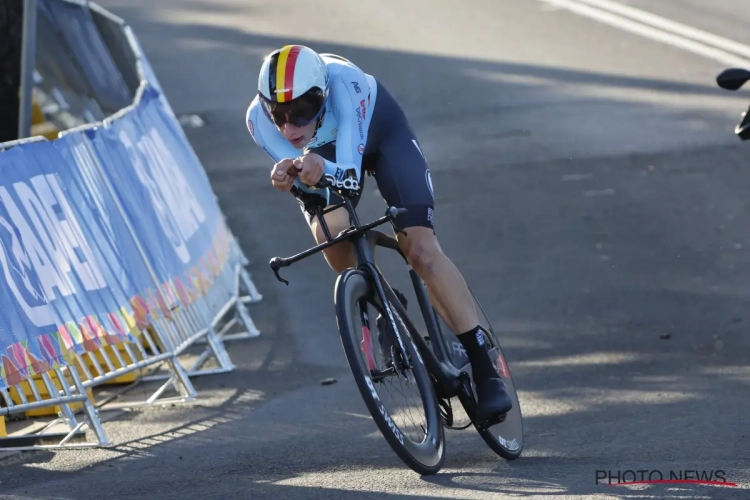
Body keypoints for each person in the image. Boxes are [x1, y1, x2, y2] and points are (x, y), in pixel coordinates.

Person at [245, 44, 512, 422]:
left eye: (301, 113)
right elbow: (313, 190)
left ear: (321, 97)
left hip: (380, 137)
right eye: (279, 116)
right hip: (324, 165)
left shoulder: (345, 83)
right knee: (331, 236)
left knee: (420, 251)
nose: (289, 129)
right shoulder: (257, 121)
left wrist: (319, 164)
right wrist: (289, 176)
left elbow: (350, 180)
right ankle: (385, 300)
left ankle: (484, 365)